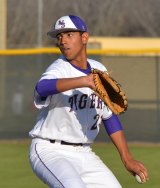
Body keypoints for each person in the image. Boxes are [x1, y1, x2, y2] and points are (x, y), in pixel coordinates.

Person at [29, 15, 148, 188]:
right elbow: (42, 88)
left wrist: (127, 158)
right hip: (50, 150)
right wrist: (83, 81)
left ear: (84, 37)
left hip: (84, 152)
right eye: (59, 36)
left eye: (69, 34)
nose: (63, 40)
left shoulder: (99, 70)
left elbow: (109, 116)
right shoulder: (59, 68)